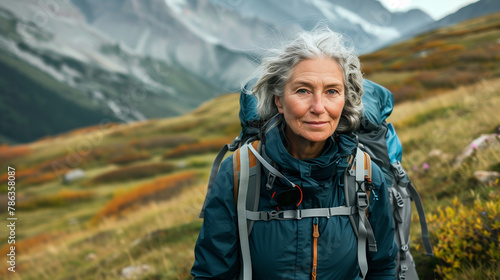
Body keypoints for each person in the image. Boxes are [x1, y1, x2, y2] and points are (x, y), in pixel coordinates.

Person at [191, 27, 398, 279]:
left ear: (345, 99)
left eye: (332, 91)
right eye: (303, 91)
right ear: (279, 99)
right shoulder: (239, 173)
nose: (319, 107)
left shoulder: (365, 173)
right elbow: (212, 273)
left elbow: (383, 267)